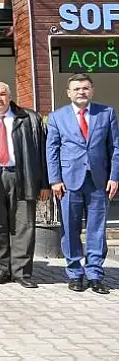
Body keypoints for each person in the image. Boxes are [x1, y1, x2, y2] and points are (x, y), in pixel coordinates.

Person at [0, 82, 49, 289]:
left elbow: (42, 153)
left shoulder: (30, 119)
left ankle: (22, 272)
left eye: (2, 94)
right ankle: (1, 270)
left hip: (22, 176)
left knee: (23, 225)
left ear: (10, 96)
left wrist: (44, 184)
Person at [47, 73, 119, 294]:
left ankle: (95, 275)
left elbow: (115, 148)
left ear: (92, 90)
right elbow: (52, 150)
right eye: (77, 89)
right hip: (68, 182)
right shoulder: (57, 117)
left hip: (99, 181)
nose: (81, 92)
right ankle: (75, 273)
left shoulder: (106, 113)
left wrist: (114, 177)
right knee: (70, 228)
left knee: (97, 229)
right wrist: (55, 179)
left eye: (85, 88)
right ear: (68, 93)